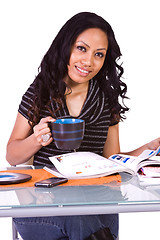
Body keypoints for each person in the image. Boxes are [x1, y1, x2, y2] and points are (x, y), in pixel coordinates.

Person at [6, 12, 160, 240]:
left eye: (99, 54)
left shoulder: (106, 99)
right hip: (40, 206)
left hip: (93, 201)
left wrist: (148, 147)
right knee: (81, 219)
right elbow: (12, 155)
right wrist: (35, 140)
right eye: (81, 48)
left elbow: (113, 158)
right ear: (66, 47)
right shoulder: (41, 91)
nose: (88, 62)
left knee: (99, 215)